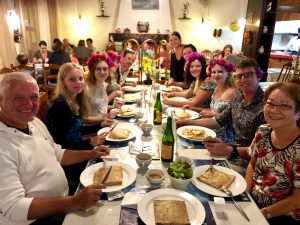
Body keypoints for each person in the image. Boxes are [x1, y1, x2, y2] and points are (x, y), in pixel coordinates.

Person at [0, 72, 109, 225]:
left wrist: (91, 153)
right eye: (19, 98)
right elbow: (13, 207)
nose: (29, 104)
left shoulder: (34, 122)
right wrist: (74, 202)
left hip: (66, 197)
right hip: (39, 219)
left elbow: (57, 153)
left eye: (33, 97)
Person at [177, 58, 265, 160]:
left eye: (248, 75)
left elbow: (262, 150)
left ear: (258, 76)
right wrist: (185, 122)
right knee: (183, 153)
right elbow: (217, 121)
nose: (243, 79)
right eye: (239, 76)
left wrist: (228, 150)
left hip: (245, 161)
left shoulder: (266, 106)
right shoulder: (239, 99)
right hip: (228, 150)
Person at [46, 63, 112, 193]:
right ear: (63, 82)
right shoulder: (61, 105)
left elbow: (75, 130)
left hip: (76, 149)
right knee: (107, 169)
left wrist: (100, 126)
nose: (78, 82)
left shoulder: (73, 100)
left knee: (110, 156)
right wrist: (90, 141)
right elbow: (61, 143)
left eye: (80, 78)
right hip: (67, 163)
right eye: (72, 79)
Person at [245, 82, 300, 225]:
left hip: (284, 214)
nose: (274, 110)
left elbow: (297, 199)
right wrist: (244, 194)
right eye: (270, 103)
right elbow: (252, 163)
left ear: (298, 113)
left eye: (284, 105)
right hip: (254, 200)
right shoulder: (263, 131)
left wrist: (262, 214)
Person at [184, 58, 238, 143]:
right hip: (210, 128)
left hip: (223, 137)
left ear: (227, 73)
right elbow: (212, 110)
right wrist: (193, 108)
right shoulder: (216, 89)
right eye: (213, 72)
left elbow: (232, 118)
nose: (216, 75)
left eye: (220, 72)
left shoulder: (231, 92)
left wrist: (211, 114)